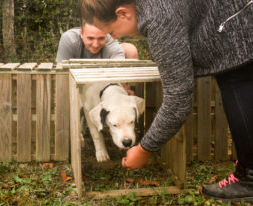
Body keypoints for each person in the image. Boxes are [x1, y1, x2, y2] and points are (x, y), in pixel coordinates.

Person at [81, 0, 253, 203]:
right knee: (235, 80)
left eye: (111, 31)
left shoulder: (159, 18)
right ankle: (248, 173)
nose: (114, 38)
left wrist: (145, 148)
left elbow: (178, 100)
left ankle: (249, 177)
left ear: (123, 13)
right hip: (237, 20)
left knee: (237, 80)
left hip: (240, 26)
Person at [56, 20, 136, 95]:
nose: (95, 44)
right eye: (90, 38)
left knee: (130, 49)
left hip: (105, 81)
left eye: (101, 38)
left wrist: (123, 87)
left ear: (106, 34)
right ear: (81, 34)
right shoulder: (69, 39)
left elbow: (119, 68)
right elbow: (62, 75)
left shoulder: (111, 42)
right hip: (77, 79)